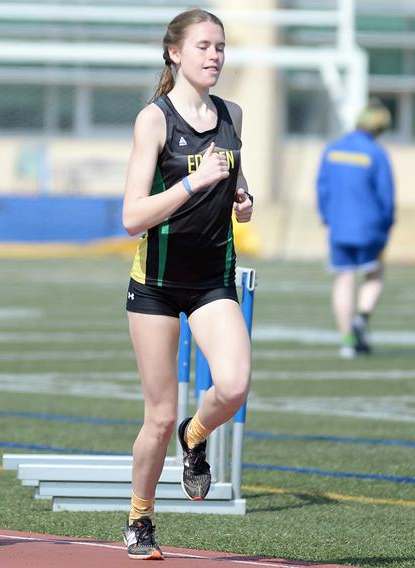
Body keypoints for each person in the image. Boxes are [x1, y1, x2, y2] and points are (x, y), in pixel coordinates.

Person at [121, 8, 253, 561]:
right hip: (154, 283)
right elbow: (131, 216)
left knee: (234, 386)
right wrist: (194, 182)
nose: (214, 56)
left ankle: (195, 439)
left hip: (212, 280)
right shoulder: (154, 120)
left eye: (220, 47)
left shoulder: (233, 114)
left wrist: (243, 198)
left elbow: (237, 178)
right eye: (203, 46)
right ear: (175, 53)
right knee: (158, 414)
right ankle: (139, 518)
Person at [316, 101, 394, 359]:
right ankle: (361, 318)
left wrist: (328, 217)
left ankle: (347, 339)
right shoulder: (376, 153)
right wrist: (387, 225)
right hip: (369, 227)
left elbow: (322, 188)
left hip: (339, 226)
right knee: (375, 275)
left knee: (343, 279)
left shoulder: (333, 149)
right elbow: (386, 197)